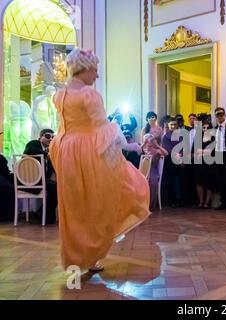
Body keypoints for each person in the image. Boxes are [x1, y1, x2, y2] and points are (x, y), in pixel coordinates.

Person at [50, 49, 150, 273]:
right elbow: (103, 129)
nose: (96, 76)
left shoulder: (59, 95)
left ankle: (79, 259)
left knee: (75, 206)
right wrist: (128, 146)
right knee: (98, 202)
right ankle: (91, 253)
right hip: (87, 151)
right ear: (84, 69)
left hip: (65, 149)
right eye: (95, 70)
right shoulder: (89, 95)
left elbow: (64, 127)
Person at [23, 129, 58, 224]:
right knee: (56, 188)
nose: (50, 139)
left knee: (58, 188)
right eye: (47, 136)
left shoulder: (48, 152)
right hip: (28, 180)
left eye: (52, 137)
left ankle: (43, 213)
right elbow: (30, 150)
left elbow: (51, 171)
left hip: (39, 180)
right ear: (40, 137)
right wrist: (48, 154)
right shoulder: (34, 143)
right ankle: (44, 214)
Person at [142, 133, 168, 210]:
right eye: (147, 141)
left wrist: (157, 146)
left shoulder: (156, 150)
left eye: (150, 140)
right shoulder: (143, 148)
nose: (148, 142)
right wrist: (143, 144)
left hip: (153, 170)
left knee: (152, 183)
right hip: (142, 171)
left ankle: (149, 205)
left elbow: (166, 153)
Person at [194, 116, 215, 209]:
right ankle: (201, 202)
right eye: (204, 127)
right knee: (199, 182)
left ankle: (207, 203)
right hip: (199, 163)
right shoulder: (198, 137)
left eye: (207, 127)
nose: (205, 129)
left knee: (209, 182)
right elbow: (195, 150)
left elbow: (211, 151)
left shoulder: (213, 138)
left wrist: (202, 151)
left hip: (210, 163)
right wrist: (204, 151)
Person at [0, 154, 14, 222]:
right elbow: (5, 172)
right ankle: (7, 216)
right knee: (9, 188)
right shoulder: (1, 158)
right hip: (3, 185)